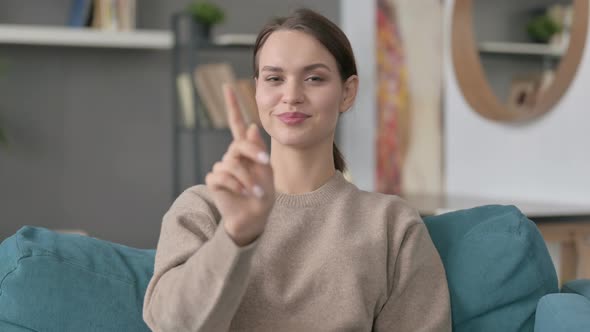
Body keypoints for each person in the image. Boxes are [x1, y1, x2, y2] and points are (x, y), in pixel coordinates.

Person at [143, 8, 451, 332]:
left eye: (314, 78)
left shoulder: (392, 224)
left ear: (347, 92)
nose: (291, 96)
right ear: (257, 90)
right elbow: (171, 325)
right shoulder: (201, 208)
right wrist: (235, 235)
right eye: (275, 79)